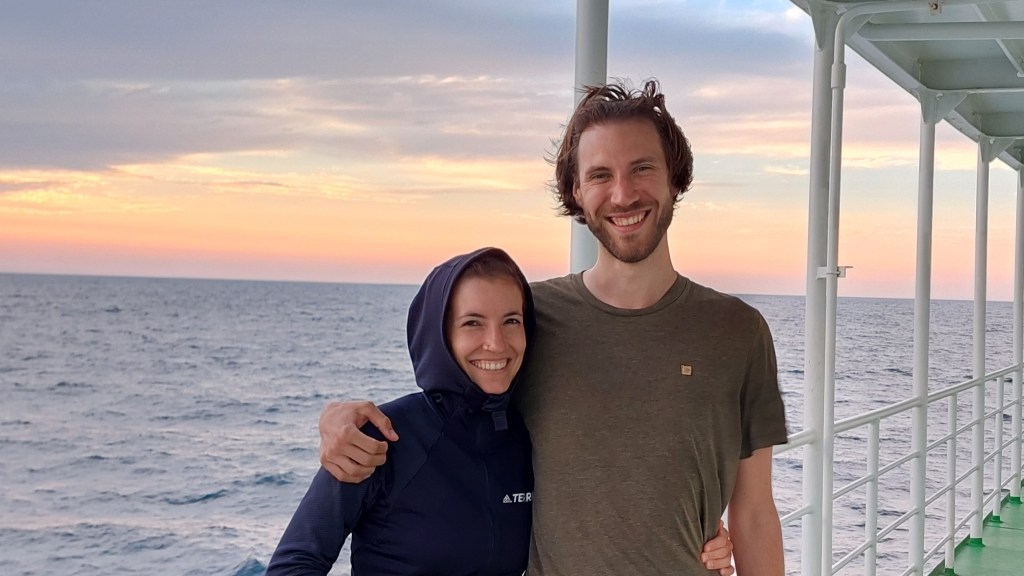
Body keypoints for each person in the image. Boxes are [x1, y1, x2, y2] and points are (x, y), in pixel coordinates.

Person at [318, 79, 785, 575]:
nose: (623, 194)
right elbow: (446, 418)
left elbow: (754, 511)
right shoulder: (529, 318)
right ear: (576, 192)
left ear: (676, 177)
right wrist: (339, 417)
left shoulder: (738, 331)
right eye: (600, 175)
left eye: (642, 168)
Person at [268, 248, 536, 575]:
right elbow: (295, 564)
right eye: (472, 323)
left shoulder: (531, 440)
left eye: (511, 321)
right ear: (441, 335)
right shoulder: (380, 439)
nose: (496, 343)